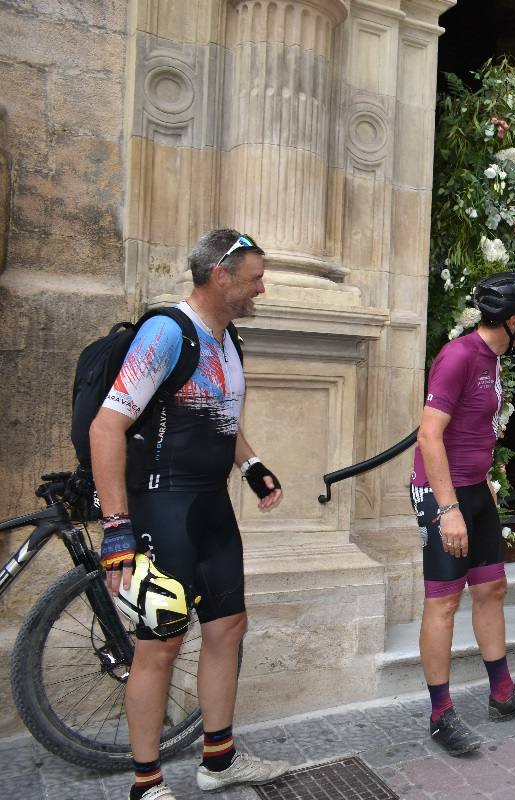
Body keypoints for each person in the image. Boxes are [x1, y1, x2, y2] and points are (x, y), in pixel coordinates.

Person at [92, 230, 288, 800]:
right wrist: (116, 529)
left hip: (212, 505)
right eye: (254, 277)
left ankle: (219, 761)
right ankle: (147, 784)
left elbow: (221, 419)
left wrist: (251, 465)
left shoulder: (230, 342)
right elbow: (109, 426)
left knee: (228, 627)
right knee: (161, 646)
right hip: (161, 508)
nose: (262, 287)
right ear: (220, 276)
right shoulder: (166, 334)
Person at [413, 272, 515, 757]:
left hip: (476, 490)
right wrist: (449, 509)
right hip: (443, 496)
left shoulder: (495, 359)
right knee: (444, 602)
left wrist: (484, 488)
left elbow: (478, 431)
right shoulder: (460, 356)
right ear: (513, 320)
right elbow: (429, 436)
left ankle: (503, 694)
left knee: (492, 588)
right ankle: (440, 714)